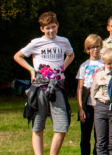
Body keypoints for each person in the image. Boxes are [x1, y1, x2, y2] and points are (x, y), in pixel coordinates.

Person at [14, 11, 75, 155]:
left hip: (57, 88)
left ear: (57, 25)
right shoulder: (36, 43)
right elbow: (18, 56)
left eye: (53, 27)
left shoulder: (64, 41)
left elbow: (71, 55)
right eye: (47, 28)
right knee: (37, 126)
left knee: (62, 126)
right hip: (40, 88)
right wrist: (31, 70)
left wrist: (63, 68)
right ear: (42, 29)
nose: (51, 30)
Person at [76, 34, 105, 155]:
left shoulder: (105, 64)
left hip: (101, 103)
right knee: (85, 136)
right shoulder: (84, 66)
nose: (95, 50)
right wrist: (80, 108)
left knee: (99, 136)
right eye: (92, 47)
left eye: (97, 46)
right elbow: (79, 88)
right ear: (87, 49)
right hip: (87, 104)